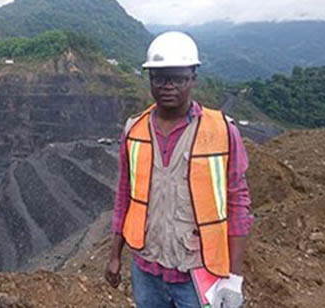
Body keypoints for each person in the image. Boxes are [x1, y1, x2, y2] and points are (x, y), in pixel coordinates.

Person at [104, 31, 253, 308]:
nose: (167, 86)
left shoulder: (222, 131)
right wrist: (115, 255)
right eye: (159, 78)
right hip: (146, 270)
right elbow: (124, 196)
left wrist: (234, 278)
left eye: (178, 78)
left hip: (198, 271)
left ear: (193, 78)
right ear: (150, 80)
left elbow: (238, 202)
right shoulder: (134, 130)